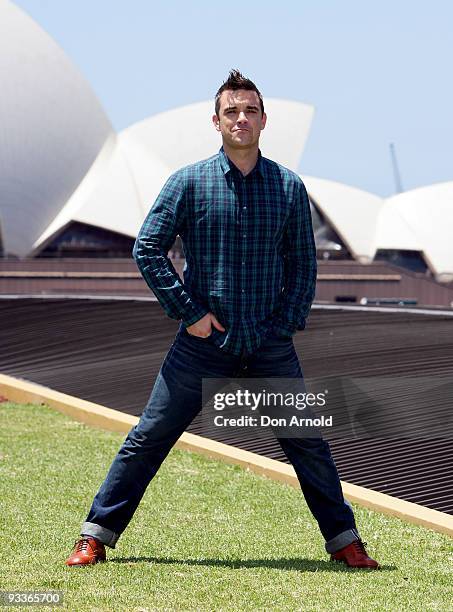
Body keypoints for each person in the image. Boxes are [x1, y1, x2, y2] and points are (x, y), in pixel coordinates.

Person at [66, 70, 379, 569]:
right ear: (216, 121)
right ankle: (95, 535)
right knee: (148, 438)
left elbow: (304, 262)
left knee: (308, 443)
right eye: (232, 111)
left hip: (268, 342)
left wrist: (285, 322)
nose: (241, 119)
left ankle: (345, 541)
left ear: (263, 120)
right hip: (201, 343)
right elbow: (146, 248)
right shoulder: (189, 182)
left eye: (250, 110)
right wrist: (189, 314)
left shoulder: (288, 187)